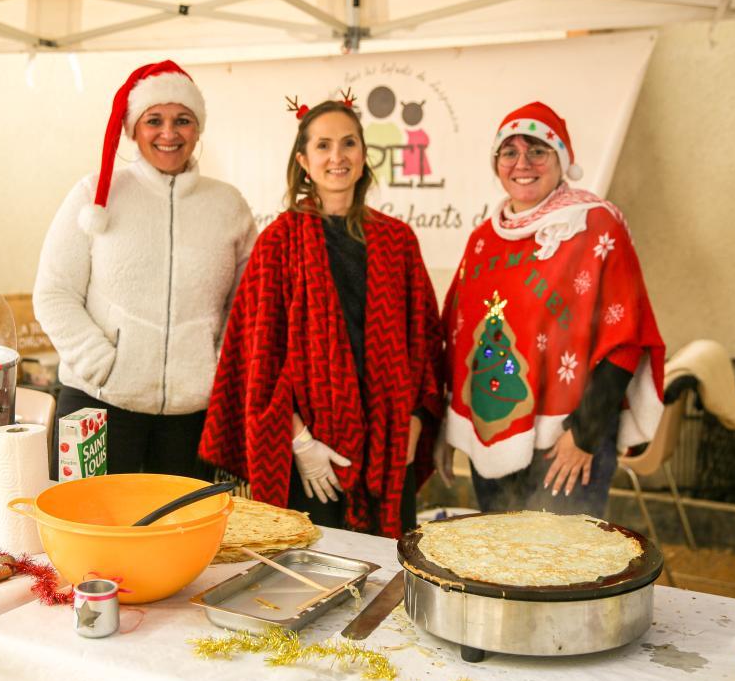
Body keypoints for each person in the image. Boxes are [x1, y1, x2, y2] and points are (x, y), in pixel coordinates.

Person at [200, 97, 443, 538]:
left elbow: (424, 340)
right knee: (313, 566)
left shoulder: (398, 241)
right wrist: (299, 441)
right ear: (303, 161)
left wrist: (416, 421)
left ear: (364, 155)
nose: (337, 157)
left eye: (348, 143)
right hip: (310, 451)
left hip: (388, 445)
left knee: (388, 568)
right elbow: (259, 358)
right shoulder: (279, 243)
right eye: (323, 146)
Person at [437, 102, 665, 519]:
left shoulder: (596, 227)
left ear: (561, 161)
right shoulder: (483, 240)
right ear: (496, 163)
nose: (522, 163)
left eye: (538, 150)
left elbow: (625, 339)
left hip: (567, 444)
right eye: (510, 152)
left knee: (563, 555)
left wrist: (584, 435)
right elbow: (457, 338)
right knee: (498, 552)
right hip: (493, 438)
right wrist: (449, 428)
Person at [34, 61, 256, 479]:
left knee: (184, 521)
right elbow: (53, 293)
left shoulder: (229, 206)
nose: (169, 133)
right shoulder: (94, 194)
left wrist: (216, 366)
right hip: (97, 402)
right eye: (154, 120)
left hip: (192, 414)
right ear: (133, 129)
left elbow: (248, 305)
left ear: (198, 129)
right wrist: (102, 364)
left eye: (182, 120)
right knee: (87, 519)